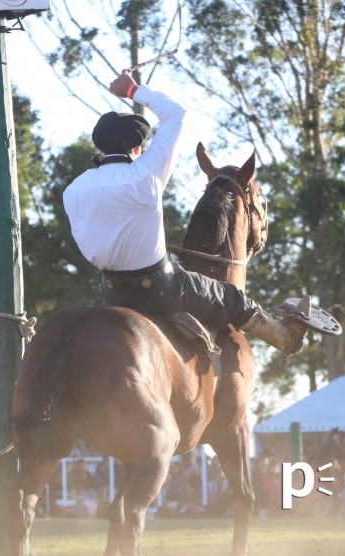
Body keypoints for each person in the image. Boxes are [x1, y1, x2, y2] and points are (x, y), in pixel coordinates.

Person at [62, 72, 308, 356]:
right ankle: (287, 338)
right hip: (161, 289)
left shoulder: (74, 189)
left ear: (100, 148)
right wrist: (131, 89)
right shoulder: (145, 174)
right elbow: (176, 114)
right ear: (137, 148)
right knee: (233, 299)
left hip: (112, 292)